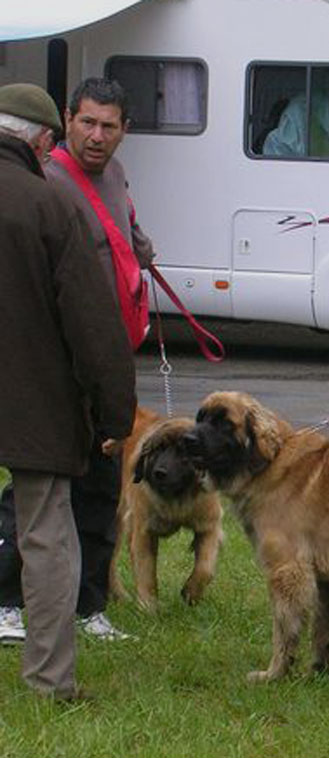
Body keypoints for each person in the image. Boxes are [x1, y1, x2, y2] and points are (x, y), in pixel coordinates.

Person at [0, 77, 154, 645]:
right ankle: (11, 602)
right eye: (86, 122)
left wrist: (140, 247)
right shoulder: (47, 180)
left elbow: (123, 235)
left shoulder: (114, 176)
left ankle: (89, 604)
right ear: (62, 124)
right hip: (60, 359)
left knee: (97, 487)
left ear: (124, 131)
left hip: (105, 351)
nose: (96, 135)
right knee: (35, 490)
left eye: (108, 126)